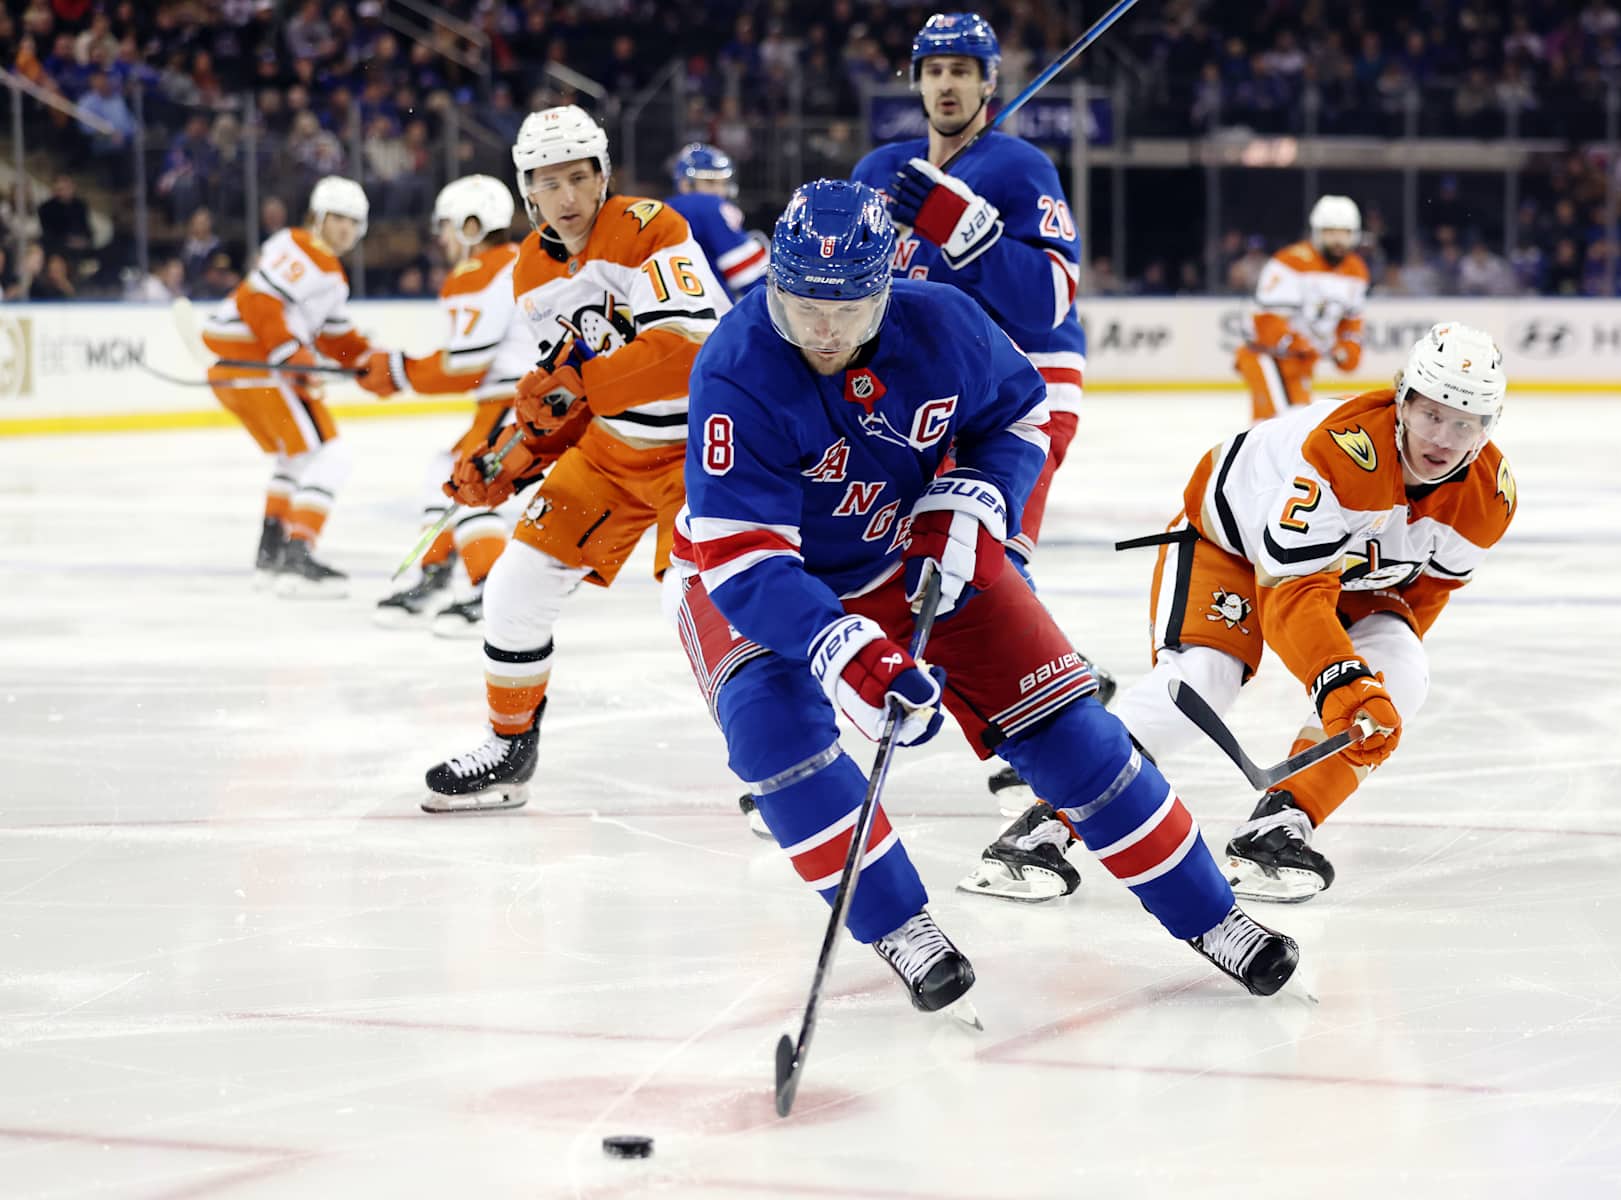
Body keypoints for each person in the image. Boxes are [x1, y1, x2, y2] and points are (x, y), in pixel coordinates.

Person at [671, 179, 1300, 1017]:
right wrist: (844, 649)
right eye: (803, 306)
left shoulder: (944, 324)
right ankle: (901, 926)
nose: (822, 332)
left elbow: (1021, 416)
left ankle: (1212, 916)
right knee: (776, 741)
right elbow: (745, 561)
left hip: (911, 552)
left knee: (1072, 730)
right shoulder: (736, 366)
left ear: (885, 289)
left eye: (846, 309)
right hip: (764, 583)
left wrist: (980, 493)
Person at [972, 323, 1516, 904]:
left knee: (1401, 672)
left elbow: (1422, 595)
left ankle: (1280, 823)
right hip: (1227, 547)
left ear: (1489, 428)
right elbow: (1291, 594)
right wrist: (1337, 677)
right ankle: (1043, 822)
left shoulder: (1488, 500)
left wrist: (1361, 681)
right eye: (1432, 414)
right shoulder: (1342, 451)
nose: (1443, 438)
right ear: (1402, 398)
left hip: (1345, 573)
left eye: (1465, 422)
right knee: (1200, 684)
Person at [420, 105, 729, 813]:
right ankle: (508, 751)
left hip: (701, 452)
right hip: (613, 453)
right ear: (527, 193)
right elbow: (572, 389)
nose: (566, 197)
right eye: (548, 182)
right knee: (513, 588)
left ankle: (786, 766)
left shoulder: (652, 227)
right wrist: (508, 460)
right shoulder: (530, 267)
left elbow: (685, 355)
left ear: (604, 177)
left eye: (579, 178)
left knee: (709, 608)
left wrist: (576, 387)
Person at [848, 12, 1113, 824]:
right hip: (914, 398)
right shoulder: (882, 168)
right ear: (918, 81)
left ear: (991, 83)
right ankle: (1044, 700)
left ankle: (1047, 735)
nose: (949, 83)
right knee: (873, 558)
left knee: (981, 561)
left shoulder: (1020, 165)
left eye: (966, 69)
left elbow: (1053, 299)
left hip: (1018, 398)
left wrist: (965, 231)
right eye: (935, 70)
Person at [356, 175, 538, 636]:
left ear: (474, 225)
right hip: (521, 398)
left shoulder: (488, 268)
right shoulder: (512, 263)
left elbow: (465, 366)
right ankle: (435, 574)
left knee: (470, 476)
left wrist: (398, 372)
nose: (442, 237)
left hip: (523, 399)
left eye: (449, 225)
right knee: (445, 469)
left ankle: (489, 590)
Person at [201, 175, 377, 595]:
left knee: (295, 459)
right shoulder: (303, 248)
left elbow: (336, 338)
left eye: (353, 222)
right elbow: (258, 301)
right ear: (318, 216)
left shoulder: (329, 273)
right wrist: (289, 353)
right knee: (331, 456)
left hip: (245, 369)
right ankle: (298, 555)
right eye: (338, 218)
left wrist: (376, 365)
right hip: (259, 366)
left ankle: (271, 556)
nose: (345, 229)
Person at [1234, 195, 1370, 422]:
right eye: (1330, 232)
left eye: (1344, 233)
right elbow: (1267, 321)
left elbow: (1350, 320)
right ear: (1317, 233)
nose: (1338, 240)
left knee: (1297, 430)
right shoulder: (1291, 262)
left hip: (1301, 364)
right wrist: (1302, 345)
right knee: (1277, 430)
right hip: (1267, 357)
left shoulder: (1356, 270)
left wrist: (1348, 348)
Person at [665, 143, 769, 300]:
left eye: (723, 183)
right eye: (710, 182)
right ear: (685, 184)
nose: (720, 191)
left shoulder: (664, 209)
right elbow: (754, 280)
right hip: (705, 312)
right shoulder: (708, 206)